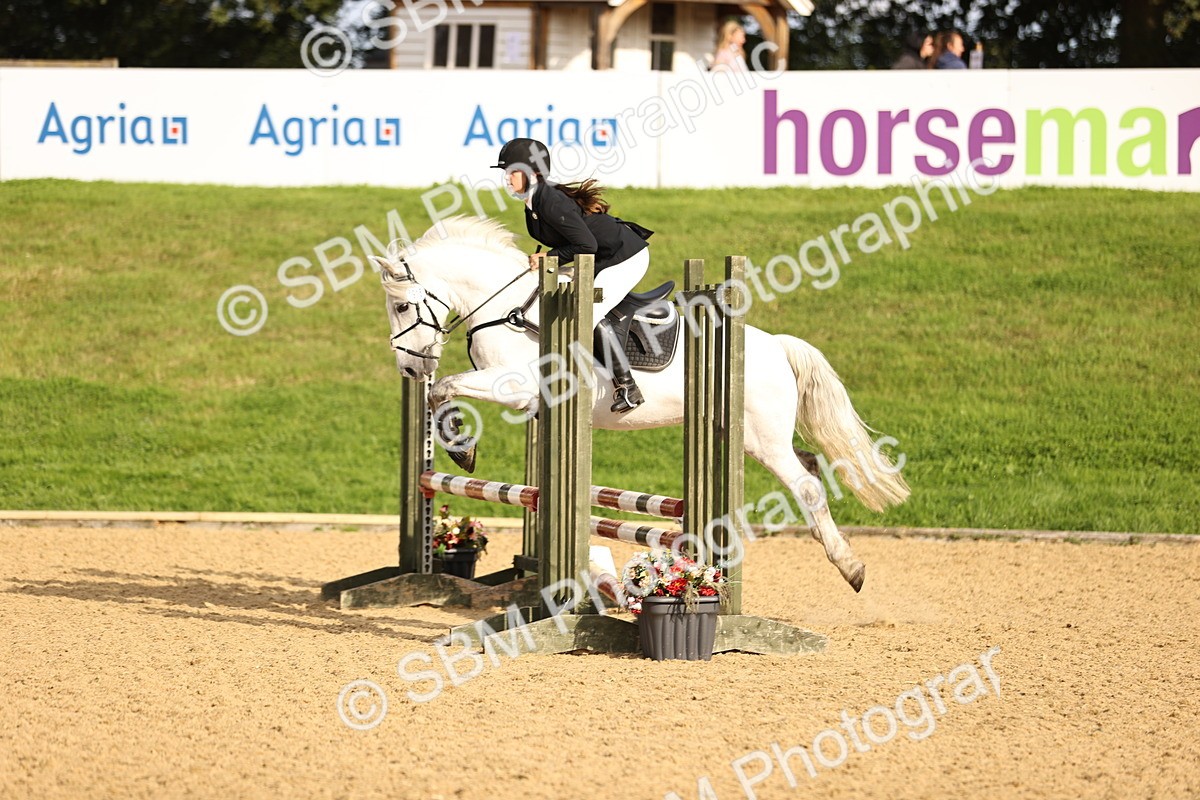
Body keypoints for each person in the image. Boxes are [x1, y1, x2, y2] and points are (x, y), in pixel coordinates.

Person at [492, 137, 652, 413]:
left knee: (589, 312)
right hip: (598, 258)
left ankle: (628, 388)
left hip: (624, 256)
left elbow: (586, 245)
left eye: (513, 172)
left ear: (533, 173)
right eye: (506, 172)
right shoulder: (534, 203)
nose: (507, 178)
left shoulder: (550, 202)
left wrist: (550, 258)